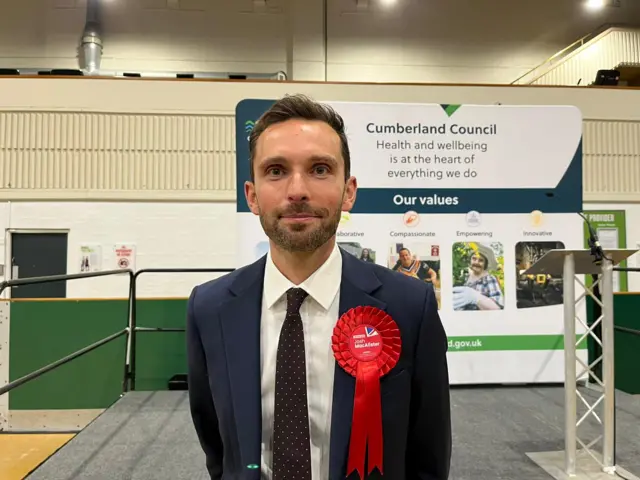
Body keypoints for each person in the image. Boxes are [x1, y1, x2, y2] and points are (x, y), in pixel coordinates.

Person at [186, 94, 452, 480]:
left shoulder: (410, 306)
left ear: (349, 191)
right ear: (252, 195)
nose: (297, 190)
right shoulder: (209, 308)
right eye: (276, 171)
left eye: (320, 169)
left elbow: (428, 454)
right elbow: (217, 445)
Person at [452, 243, 504, 311]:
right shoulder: (465, 277)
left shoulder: (489, 279)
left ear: (485, 264)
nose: (476, 262)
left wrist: (476, 298)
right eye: (474, 259)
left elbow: (497, 308)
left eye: (481, 260)